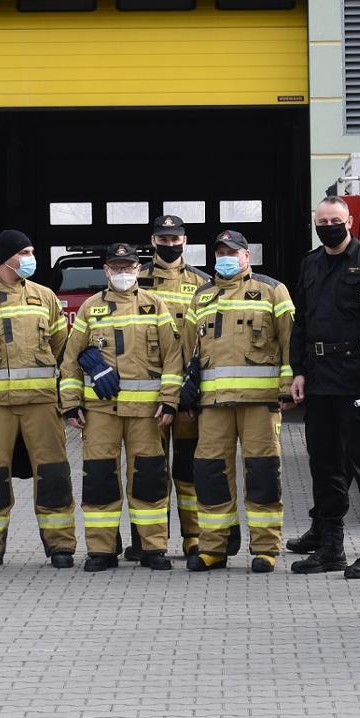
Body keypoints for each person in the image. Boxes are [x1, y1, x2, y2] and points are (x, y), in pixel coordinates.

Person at [287, 197, 360, 578]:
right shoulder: (310, 263)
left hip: (358, 377)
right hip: (320, 378)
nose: (328, 226)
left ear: (350, 221)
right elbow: (301, 321)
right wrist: (298, 371)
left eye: (334, 220)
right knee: (324, 467)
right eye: (321, 221)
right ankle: (330, 548)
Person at [0, 230, 77, 569]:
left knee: (53, 475)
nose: (29, 258)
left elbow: (59, 344)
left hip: (40, 404)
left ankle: (60, 546)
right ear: (5, 257)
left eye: (31, 252)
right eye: (23, 252)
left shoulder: (45, 297)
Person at [62, 243, 184, 571]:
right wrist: (71, 405)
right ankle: (101, 551)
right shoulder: (90, 307)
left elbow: (174, 358)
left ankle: (152, 548)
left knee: (149, 480)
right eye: (116, 267)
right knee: (100, 480)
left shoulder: (155, 306)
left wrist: (169, 400)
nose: (123, 273)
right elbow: (71, 360)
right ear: (106, 270)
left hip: (147, 414)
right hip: (100, 414)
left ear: (138, 269)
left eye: (128, 267)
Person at [182, 230, 295, 573]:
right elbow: (189, 351)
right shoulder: (201, 297)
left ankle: (265, 548)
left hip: (259, 404)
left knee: (262, 474)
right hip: (213, 405)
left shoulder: (272, 290)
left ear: (247, 256)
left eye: (232, 251)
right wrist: (184, 394)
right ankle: (213, 548)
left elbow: (291, 342)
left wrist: (287, 387)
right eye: (220, 252)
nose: (225, 257)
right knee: (210, 474)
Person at [135, 216, 223, 559]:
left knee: (187, 470)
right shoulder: (136, 280)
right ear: (153, 240)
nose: (169, 245)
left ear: (185, 241)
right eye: (163, 239)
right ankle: (147, 541)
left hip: (187, 395)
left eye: (175, 239)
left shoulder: (203, 283)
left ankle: (193, 538)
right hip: (147, 393)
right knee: (150, 471)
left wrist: (195, 386)